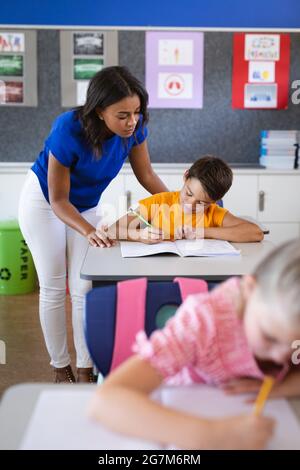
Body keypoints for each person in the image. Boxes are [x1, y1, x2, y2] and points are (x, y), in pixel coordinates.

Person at [18, 66, 168, 383]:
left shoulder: (134, 131)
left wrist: (180, 204)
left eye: (137, 113)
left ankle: (86, 368)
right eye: (123, 115)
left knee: (84, 286)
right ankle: (61, 368)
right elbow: (59, 200)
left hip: (86, 205)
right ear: (100, 111)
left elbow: (148, 177)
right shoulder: (67, 129)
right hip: (44, 203)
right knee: (54, 286)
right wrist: (89, 231)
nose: (132, 122)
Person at [88, 239, 300, 449]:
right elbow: (105, 401)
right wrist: (213, 436)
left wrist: (284, 386)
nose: (281, 356)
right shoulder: (204, 321)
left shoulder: (273, 321)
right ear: (250, 289)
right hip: (184, 416)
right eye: (269, 337)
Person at [96, 156, 264, 245]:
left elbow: (255, 233)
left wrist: (202, 232)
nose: (190, 204)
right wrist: (139, 234)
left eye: (202, 203)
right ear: (185, 177)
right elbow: (112, 230)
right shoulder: (159, 201)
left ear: (215, 201)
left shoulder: (214, 213)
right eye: (189, 194)